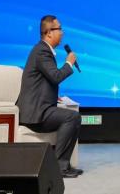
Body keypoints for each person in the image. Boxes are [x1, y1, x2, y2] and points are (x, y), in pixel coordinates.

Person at [16, 15, 82, 178]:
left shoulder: (44, 51)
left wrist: (54, 96)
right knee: (72, 117)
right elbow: (55, 76)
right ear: (49, 32)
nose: (62, 32)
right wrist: (69, 63)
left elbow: (43, 81)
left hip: (42, 108)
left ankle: (64, 165)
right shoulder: (42, 51)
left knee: (73, 117)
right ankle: (58, 167)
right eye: (59, 29)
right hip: (35, 114)